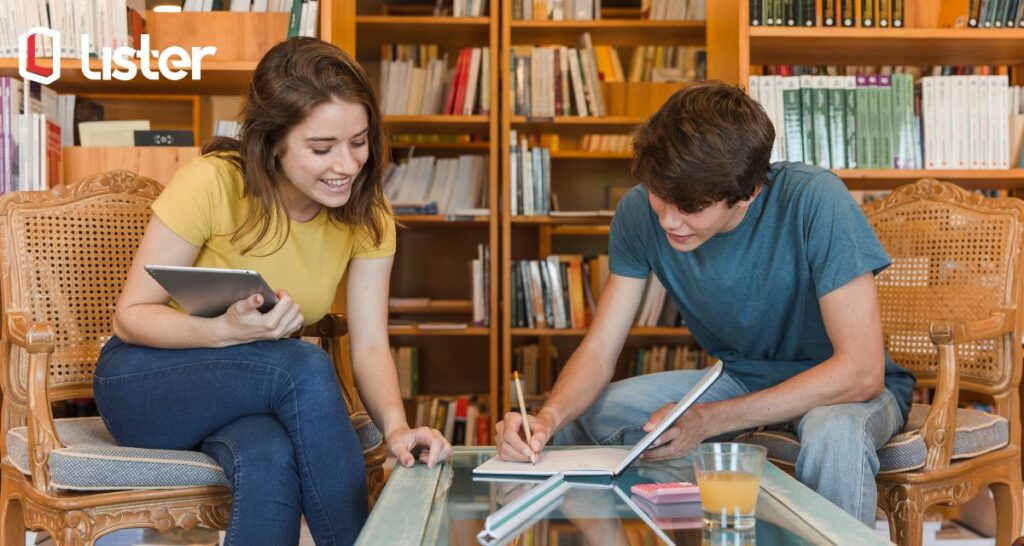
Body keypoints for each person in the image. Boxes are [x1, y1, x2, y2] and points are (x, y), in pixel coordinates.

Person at [495, 81, 916, 527]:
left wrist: (708, 420)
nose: (669, 221)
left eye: (691, 207)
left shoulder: (816, 200)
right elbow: (600, 351)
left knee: (835, 435)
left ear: (750, 191)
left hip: (844, 389)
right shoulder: (639, 214)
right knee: (588, 415)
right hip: (742, 380)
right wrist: (546, 417)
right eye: (661, 196)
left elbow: (861, 372)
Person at [93, 38, 452, 546]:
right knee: (301, 364)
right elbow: (131, 316)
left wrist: (397, 430)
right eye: (322, 148)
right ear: (273, 143)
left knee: (268, 455)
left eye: (359, 141)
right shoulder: (212, 184)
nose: (347, 165)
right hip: (144, 382)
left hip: (253, 405)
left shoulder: (368, 214)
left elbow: (370, 344)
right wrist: (222, 331)